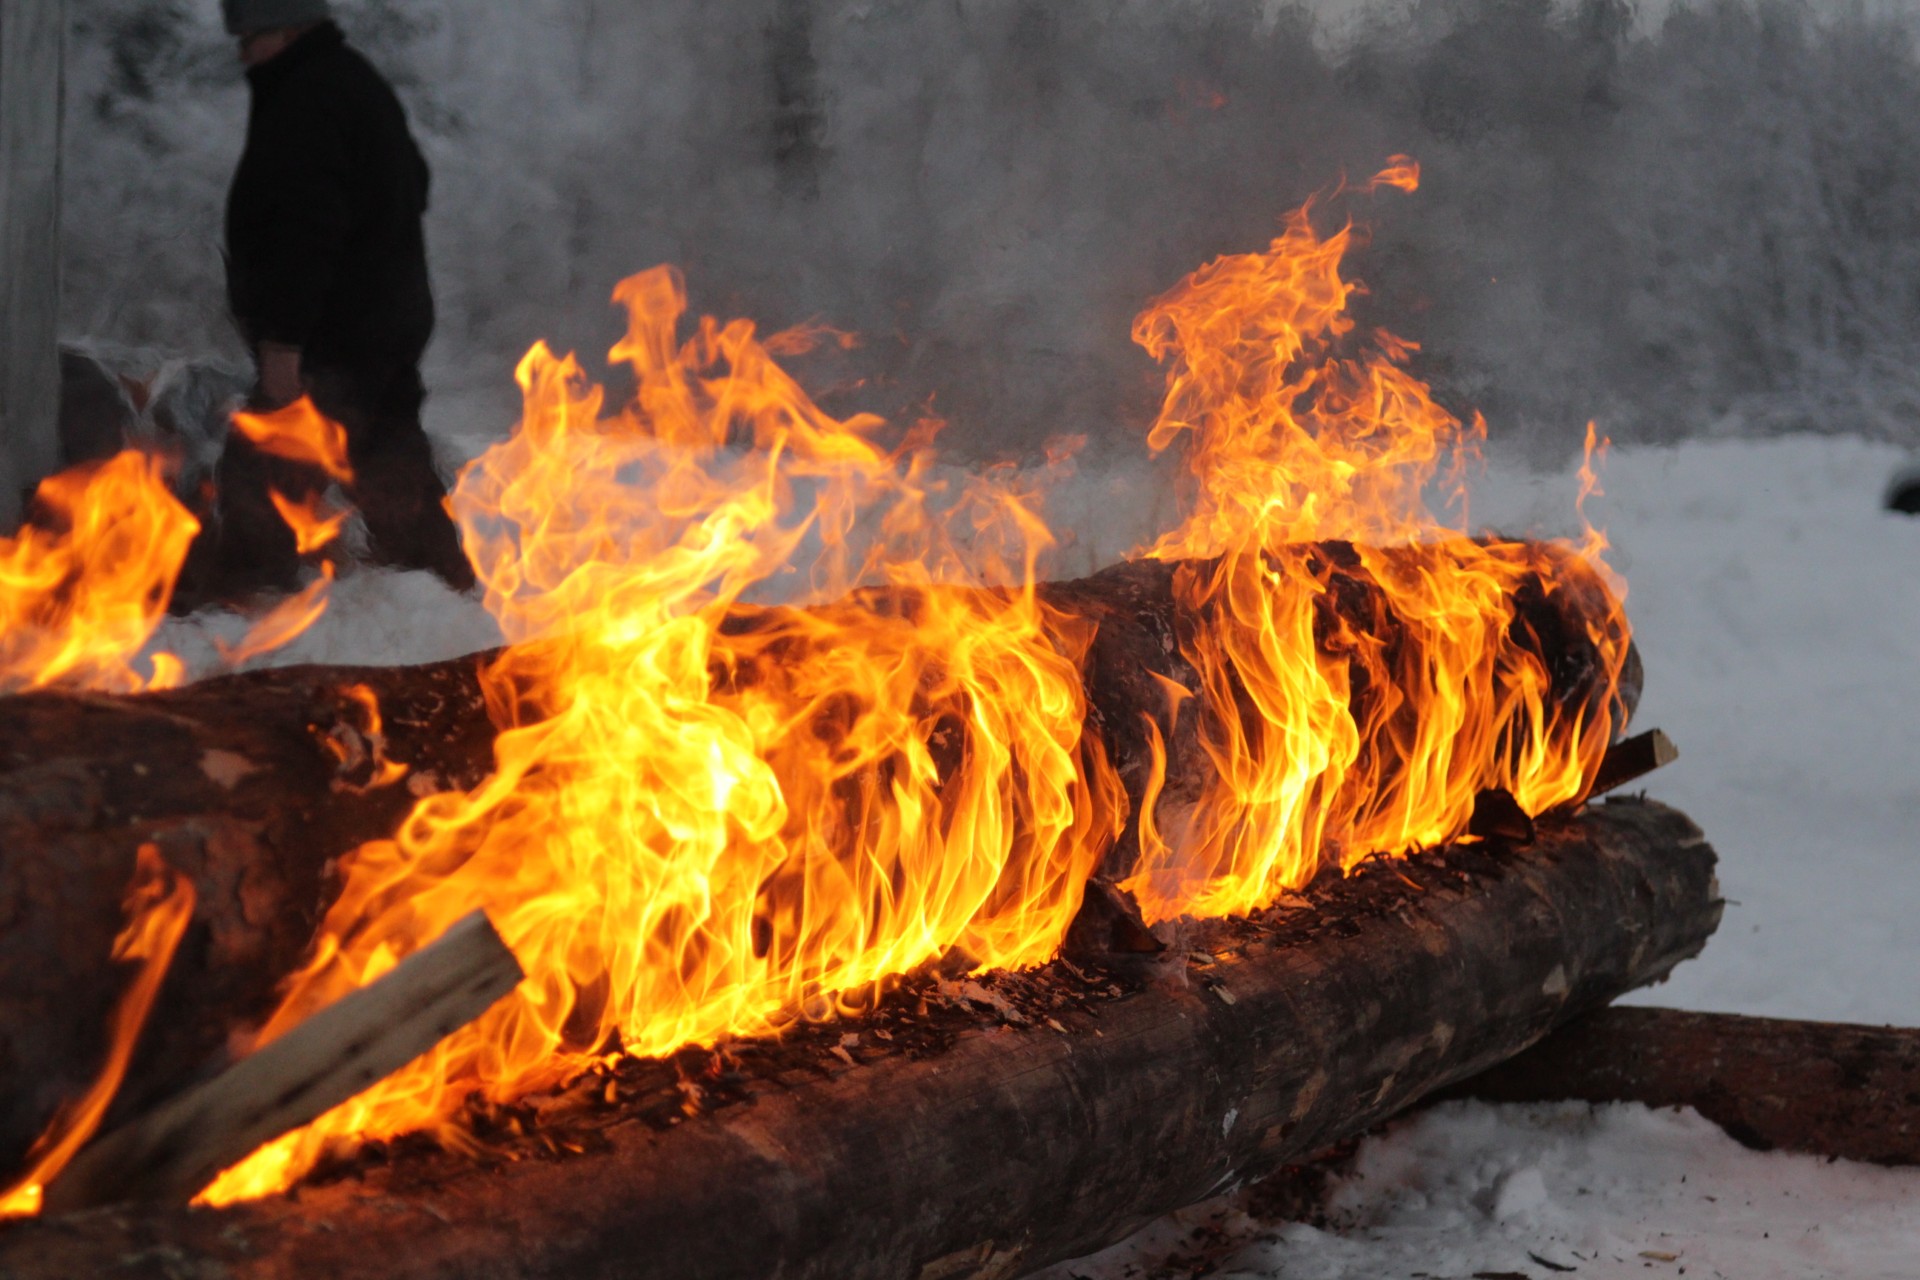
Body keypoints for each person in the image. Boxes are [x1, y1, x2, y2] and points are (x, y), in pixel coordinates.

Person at [200, 0, 474, 599]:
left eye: (252, 35)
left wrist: (283, 346)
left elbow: (303, 230)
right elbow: (413, 181)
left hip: (333, 333)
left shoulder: (307, 98)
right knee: (385, 446)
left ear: (291, 28)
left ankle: (247, 604)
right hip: (383, 320)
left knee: (264, 463)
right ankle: (438, 593)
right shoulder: (352, 82)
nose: (243, 51)